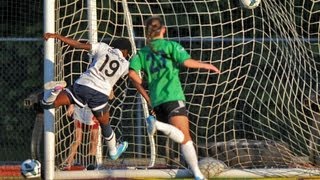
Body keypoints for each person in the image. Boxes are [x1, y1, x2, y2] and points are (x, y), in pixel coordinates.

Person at [128, 16, 221, 180]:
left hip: (157, 101)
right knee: (186, 138)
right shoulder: (171, 46)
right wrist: (207, 65)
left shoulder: (142, 53)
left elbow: (131, 73)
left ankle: (158, 124)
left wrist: (143, 83)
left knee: (179, 136)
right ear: (163, 29)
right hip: (172, 96)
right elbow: (187, 62)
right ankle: (198, 174)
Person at [42, 33, 132, 161]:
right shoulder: (126, 64)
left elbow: (78, 45)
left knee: (47, 104)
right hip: (100, 94)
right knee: (105, 124)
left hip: (83, 85)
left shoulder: (103, 47)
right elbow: (135, 78)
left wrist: (57, 36)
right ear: (125, 52)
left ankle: (56, 90)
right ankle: (113, 151)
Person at [62, 104, 100, 170]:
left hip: (93, 108)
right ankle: (68, 162)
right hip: (79, 109)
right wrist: (71, 105)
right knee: (77, 139)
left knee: (94, 138)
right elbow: (74, 93)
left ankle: (91, 162)